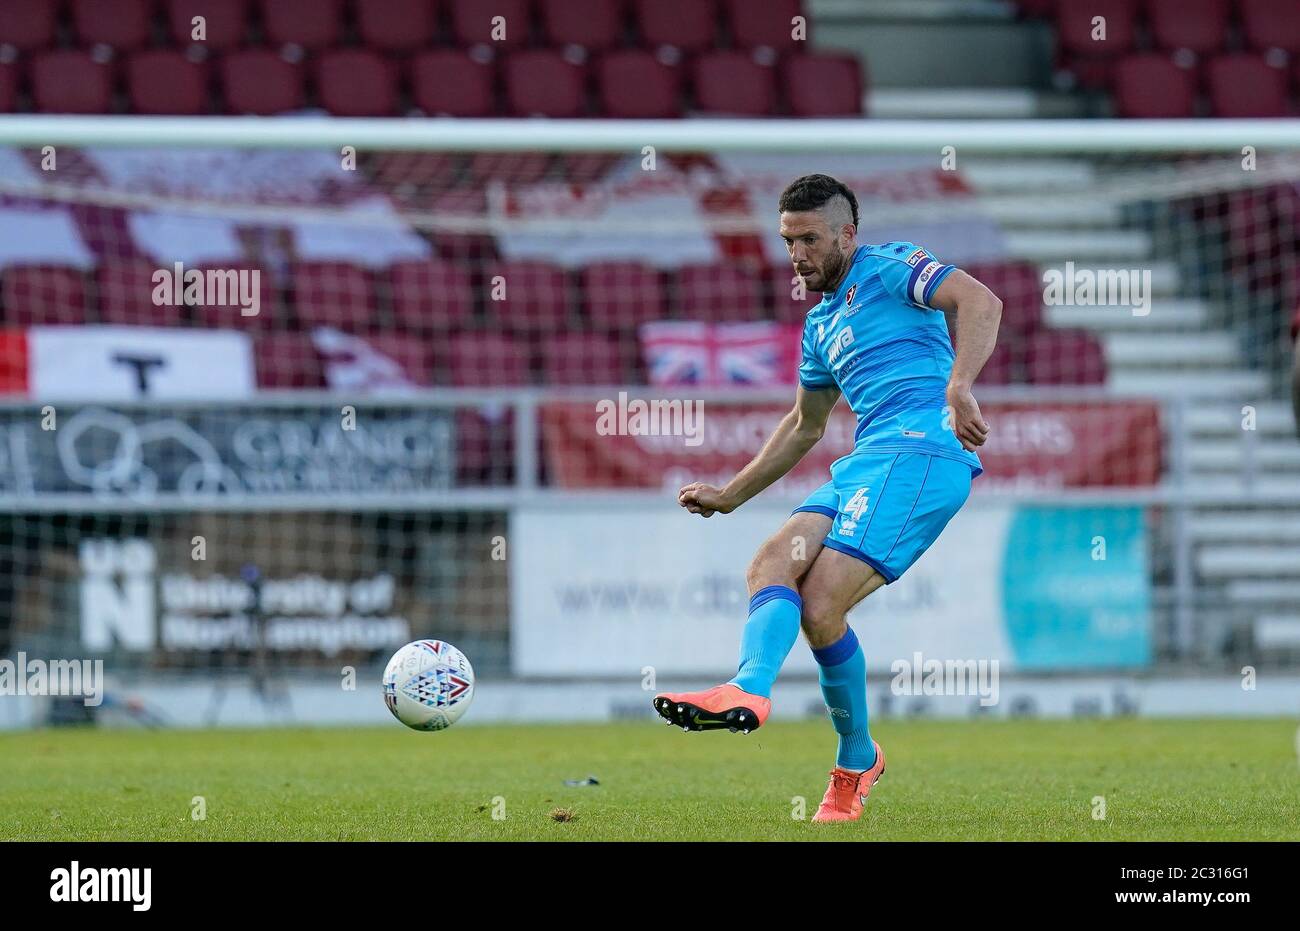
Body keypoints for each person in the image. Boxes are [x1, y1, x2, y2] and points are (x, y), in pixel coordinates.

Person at [653, 174, 1002, 823]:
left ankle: (845, 760)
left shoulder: (892, 266)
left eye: (810, 238)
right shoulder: (820, 323)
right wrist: (730, 494)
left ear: (847, 232)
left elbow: (981, 300)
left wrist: (959, 386)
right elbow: (805, 425)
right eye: (788, 240)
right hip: (866, 460)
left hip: (924, 451)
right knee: (768, 564)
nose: (797, 254)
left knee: (820, 603)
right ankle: (755, 692)